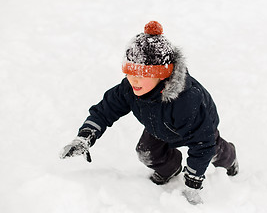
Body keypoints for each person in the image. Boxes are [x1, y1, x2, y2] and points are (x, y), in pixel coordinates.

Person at [60, 21, 239, 205]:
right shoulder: (130, 88)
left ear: (162, 74)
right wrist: (85, 137)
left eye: (143, 74)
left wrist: (193, 184)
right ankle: (171, 167)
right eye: (130, 72)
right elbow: (105, 110)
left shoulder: (185, 99)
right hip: (160, 125)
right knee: (146, 152)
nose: (134, 80)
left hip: (198, 127)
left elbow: (202, 145)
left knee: (214, 151)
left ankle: (231, 158)